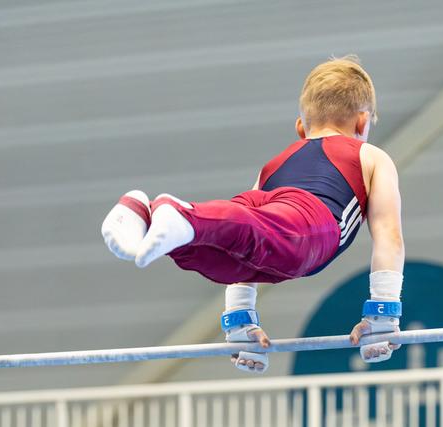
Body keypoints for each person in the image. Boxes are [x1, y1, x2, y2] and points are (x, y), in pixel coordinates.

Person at [101, 55, 405, 373]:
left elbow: (245, 250)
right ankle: (182, 214)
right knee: (263, 240)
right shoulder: (370, 156)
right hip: (311, 220)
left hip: (262, 209)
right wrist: (383, 314)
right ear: (362, 122)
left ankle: (148, 219)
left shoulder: (273, 165)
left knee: (227, 255)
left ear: (301, 128)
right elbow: (389, 236)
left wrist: (241, 325)